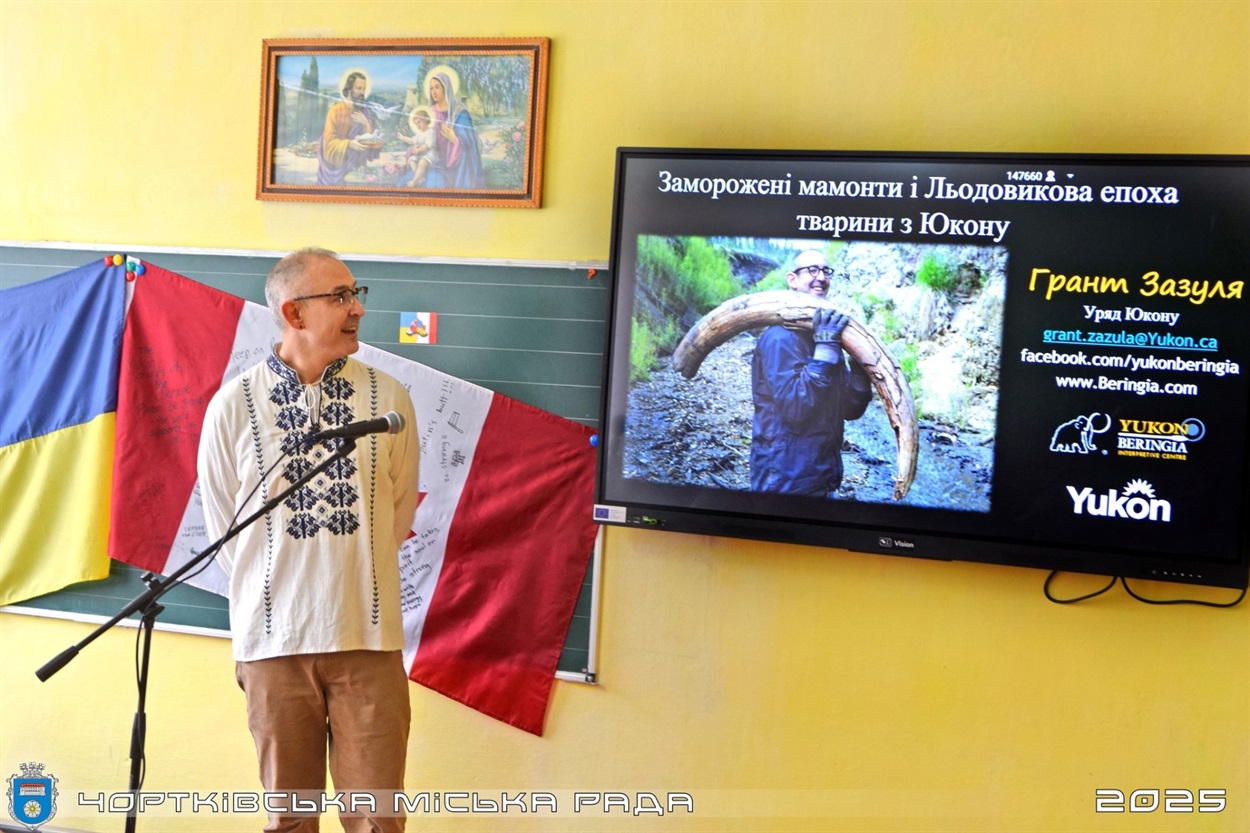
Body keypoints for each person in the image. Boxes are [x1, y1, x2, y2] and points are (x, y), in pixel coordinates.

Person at [197, 248, 420, 833]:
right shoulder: (233, 407)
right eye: (341, 297)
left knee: (378, 822)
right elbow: (227, 530)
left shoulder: (389, 399)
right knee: (289, 824)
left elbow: (395, 518)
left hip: (367, 641)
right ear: (294, 313)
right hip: (273, 643)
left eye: (356, 294)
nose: (357, 310)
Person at [750, 249, 873, 496]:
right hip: (784, 479)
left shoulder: (825, 335)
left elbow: (849, 410)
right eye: (812, 270)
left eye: (826, 271)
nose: (821, 277)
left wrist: (860, 374)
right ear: (792, 280)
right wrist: (825, 352)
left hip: (822, 475)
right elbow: (796, 409)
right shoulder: (780, 338)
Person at [422, 71, 484, 190]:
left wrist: (455, 139)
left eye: (437, 87)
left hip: (456, 164)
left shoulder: (459, 112)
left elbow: (470, 143)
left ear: (446, 88)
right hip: (433, 159)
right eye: (431, 88)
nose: (433, 92)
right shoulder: (429, 112)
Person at [318, 71, 381, 186]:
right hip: (336, 163)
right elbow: (328, 142)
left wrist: (366, 123)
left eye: (364, 88)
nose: (362, 92)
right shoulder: (335, 111)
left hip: (357, 162)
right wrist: (349, 144)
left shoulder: (365, 111)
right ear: (349, 89)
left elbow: (374, 139)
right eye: (358, 88)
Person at [396, 108, 439, 187]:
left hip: (429, 154)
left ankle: (414, 181)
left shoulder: (430, 132)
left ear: (425, 120)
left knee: (422, 162)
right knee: (412, 160)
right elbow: (412, 141)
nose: (417, 125)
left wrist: (418, 150)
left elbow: (427, 146)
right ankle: (420, 177)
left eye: (419, 122)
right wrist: (403, 138)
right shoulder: (420, 134)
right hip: (420, 154)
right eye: (416, 123)